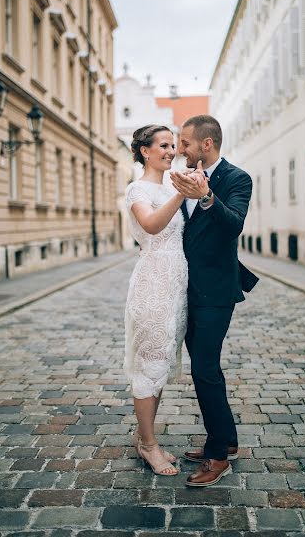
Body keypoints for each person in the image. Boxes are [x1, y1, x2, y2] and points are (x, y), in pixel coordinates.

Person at [170, 114, 258, 487]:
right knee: (205, 368)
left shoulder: (237, 178)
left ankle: (218, 456)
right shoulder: (182, 179)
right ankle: (226, 440)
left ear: (206, 144)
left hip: (216, 292)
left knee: (205, 370)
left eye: (185, 143)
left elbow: (233, 224)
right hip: (185, 289)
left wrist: (206, 196)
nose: (180, 149)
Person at [124, 124, 207, 476]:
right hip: (152, 284)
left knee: (160, 366)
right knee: (149, 363)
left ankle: (145, 436)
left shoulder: (169, 184)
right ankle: (148, 445)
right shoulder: (137, 189)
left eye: (173, 145)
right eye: (163, 145)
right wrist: (180, 194)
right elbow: (153, 225)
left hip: (177, 286)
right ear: (145, 151)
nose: (171, 151)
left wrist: (197, 192)